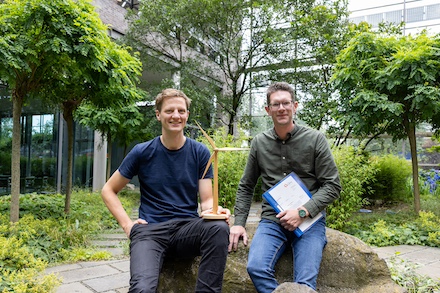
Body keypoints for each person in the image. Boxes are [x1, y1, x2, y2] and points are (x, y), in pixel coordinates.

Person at [101, 88, 231, 293]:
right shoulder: (142, 152)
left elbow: (206, 201)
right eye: (170, 111)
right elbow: (108, 190)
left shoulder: (200, 152)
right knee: (142, 289)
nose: (176, 116)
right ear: (158, 114)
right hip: (150, 232)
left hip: (187, 230)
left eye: (181, 110)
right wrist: (128, 226)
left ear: (187, 114)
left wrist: (216, 211)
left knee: (219, 228)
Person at [228, 82, 341, 292]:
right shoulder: (259, 143)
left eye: (286, 103)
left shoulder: (315, 139)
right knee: (256, 268)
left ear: (295, 106)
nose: (281, 108)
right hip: (273, 221)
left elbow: (333, 185)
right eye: (276, 104)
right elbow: (246, 186)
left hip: (309, 221)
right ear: (267, 110)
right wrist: (239, 223)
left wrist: (302, 211)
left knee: (304, 283)